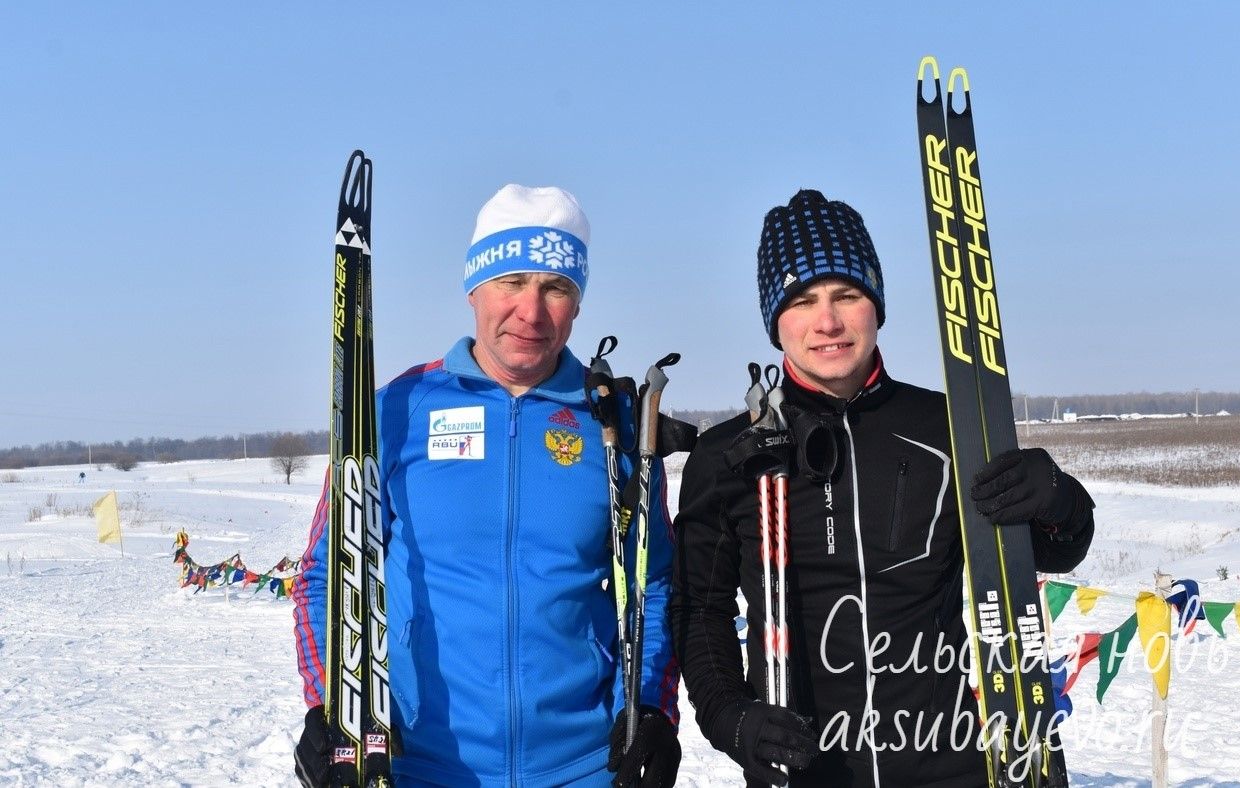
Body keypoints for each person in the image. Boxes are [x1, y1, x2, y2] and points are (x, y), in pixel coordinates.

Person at [668, 190, 1095, 787]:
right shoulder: (729, 456)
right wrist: (729, 718)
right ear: (775, 321)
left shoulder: (951, 428)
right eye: (802, 300)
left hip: (952, 764)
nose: (828, 322)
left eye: (847, 295)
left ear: (876, 305)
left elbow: (1052, 549)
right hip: (804, 768)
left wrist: (1057, 495)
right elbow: (698, 610)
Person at [293, 185, 681, 787]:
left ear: (577, 305)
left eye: (556, 288)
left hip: (582, 767)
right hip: (420, 766)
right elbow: (323, 574)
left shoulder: (615, 424)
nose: (531, 312)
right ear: (474, 287)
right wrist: (328, 708)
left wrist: (651, 708)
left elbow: (652, 585)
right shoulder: (397, 410)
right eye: (512, 282)